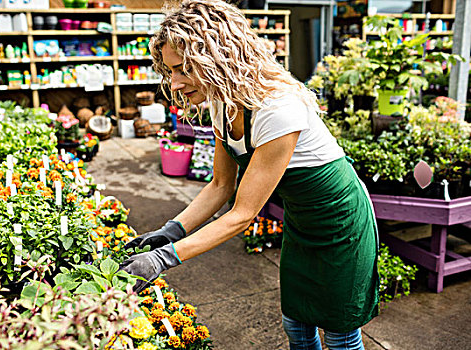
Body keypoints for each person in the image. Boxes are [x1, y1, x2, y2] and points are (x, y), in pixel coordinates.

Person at [120, 1, 379, 349]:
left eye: (183, 70)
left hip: (342, 224)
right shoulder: (221, 101)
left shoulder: (278, 108)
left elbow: (242, 214)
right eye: (170, 72)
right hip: (302, 224)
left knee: (340, 334)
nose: (176, 83)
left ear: (218, 57)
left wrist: (164, 259)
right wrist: (170, 231)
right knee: (296, 325)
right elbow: (220, 185)